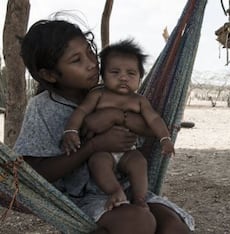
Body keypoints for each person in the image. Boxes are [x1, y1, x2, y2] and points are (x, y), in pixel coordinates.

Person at [13, 18, 194, 234]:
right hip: (79, 200)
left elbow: (149, 128)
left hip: (128, 188)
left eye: (90, 52)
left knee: (174, 227)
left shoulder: (112, 92)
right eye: (76, 60)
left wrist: (115, 115)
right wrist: (94, 146)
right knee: (139, 222)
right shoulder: (44, 108)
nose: (91, 63)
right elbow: (33, 173)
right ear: (49, 74)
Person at [62, 39, 174, 211]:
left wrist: (165, 138)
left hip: (128, 151)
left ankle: (140, 199)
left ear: (140, 77)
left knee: (139, 162)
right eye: (115, 72)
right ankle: (116, 191)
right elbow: (82, 112)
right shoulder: (98, 94)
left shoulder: (140, 101)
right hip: (103, 151)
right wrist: (71, 130)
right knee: (98, 162)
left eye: (131, 73)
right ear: (103, 75)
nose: (123, 77)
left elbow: (154, 120)